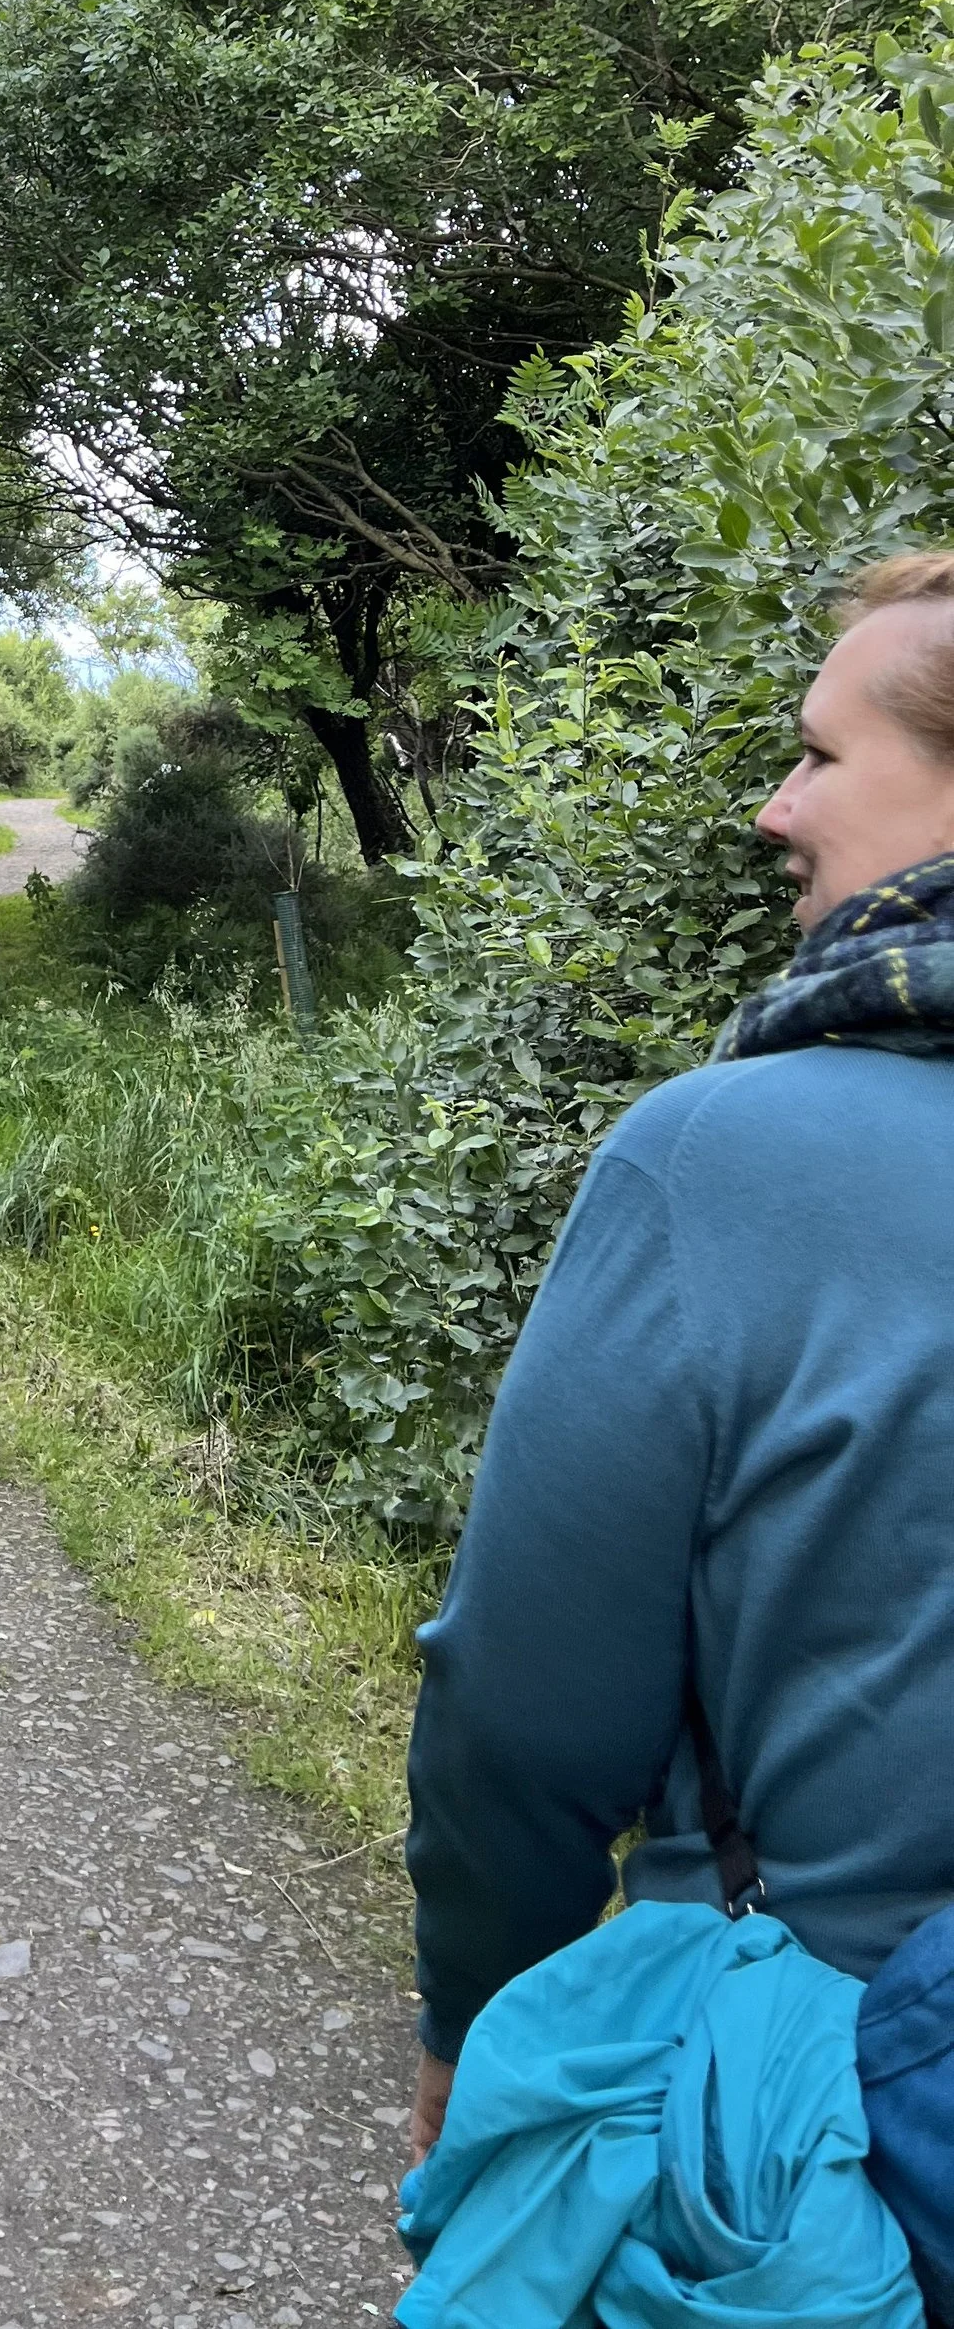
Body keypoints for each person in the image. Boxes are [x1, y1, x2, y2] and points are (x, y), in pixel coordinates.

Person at [404, 551, 954, 2183]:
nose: (778, 809)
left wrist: (475, 2024)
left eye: (825, 753)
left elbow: (523, 1708)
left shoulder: (719, 1158)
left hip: (811, 2130)